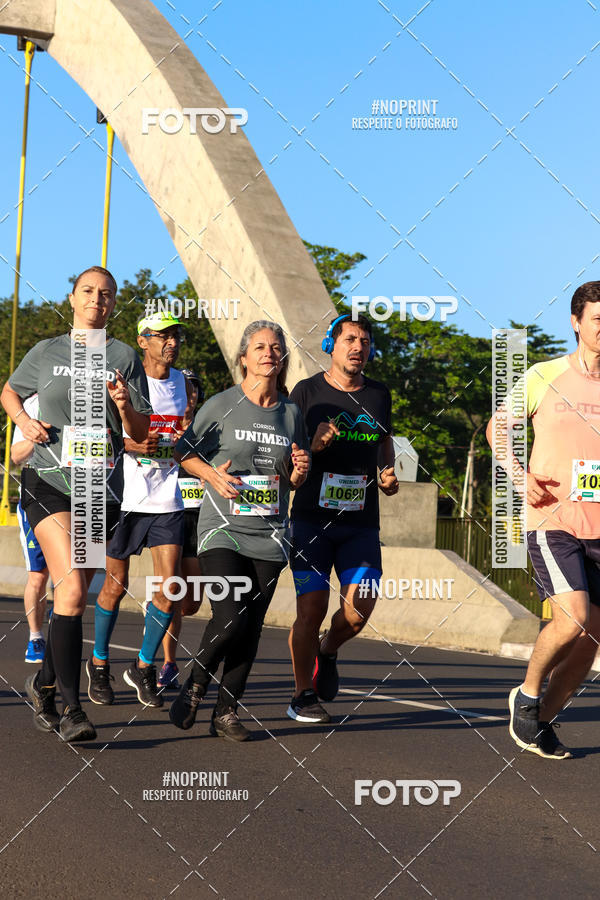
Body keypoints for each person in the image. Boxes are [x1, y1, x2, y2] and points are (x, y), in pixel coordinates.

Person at [1, 266, 151, 742]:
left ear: (113, 303)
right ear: (72, 298)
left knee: (75, 595)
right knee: (67, 590)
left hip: (98, 489)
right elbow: (9, 391)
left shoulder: (124, 356)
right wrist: (24, 420)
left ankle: (43, 685)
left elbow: (142, 432)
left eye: (106, 294)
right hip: (47, 480)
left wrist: (124, 404)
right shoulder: (47, 351)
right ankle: (72, 711)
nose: (96, 300)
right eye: (88, 292)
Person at [169, 320, 310, 741]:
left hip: (270, 535)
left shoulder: (291, 414)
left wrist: (300, 472)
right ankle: (195, 684)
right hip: (222, 529)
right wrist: (212, 475)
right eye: (260, 347)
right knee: (229, 617)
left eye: (276, 347)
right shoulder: (222, 405)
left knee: (251, 626)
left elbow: (293, 477)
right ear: (244, 358)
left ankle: (226, 712)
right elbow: (183, 453)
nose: (269, 353)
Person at [487, 281, 600, 760]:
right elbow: (499, 428)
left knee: (592, 639)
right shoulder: (543, 374)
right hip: (552, 519)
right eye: (598, 318)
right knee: (572, 616)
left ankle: (542, 722)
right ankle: (527, 694)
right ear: (576, 322)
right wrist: (519, 475)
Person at [287, 313, 399, 723]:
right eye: (349, 339)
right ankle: (302, 694)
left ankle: (327, 650)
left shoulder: (379, 395)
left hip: (361, 524)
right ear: (331, 346)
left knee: (358, 610)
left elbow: (383, 443)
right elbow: (287, 455)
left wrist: (387, 475)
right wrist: (312, 446)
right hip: (312, 520)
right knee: (311, 609)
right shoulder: (307, 392)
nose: (358, 347)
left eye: (365, 341)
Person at [86, 311, 188, 708]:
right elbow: (101, 436)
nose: (172, 342)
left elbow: (183, 433)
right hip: (125, 497)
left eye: (176, 335)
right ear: (142, 341)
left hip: (167, 499)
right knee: (114, 586)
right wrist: (133, 445)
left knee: (169, 589)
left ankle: (144, 667)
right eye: (162, 336)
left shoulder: (184, 383)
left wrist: (180, 442)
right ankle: (98, 663)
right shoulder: (122, 381)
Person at [157, 369, 205, 689]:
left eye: (193, 391)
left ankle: (157, 607)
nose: (189, 396)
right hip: (170, 515)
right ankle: (168, 664)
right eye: (183, 391)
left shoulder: (209, 427)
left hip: (200, 521)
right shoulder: (161, 425)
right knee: (172, 593)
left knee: (191, 603)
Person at [11, 393, 51, 663]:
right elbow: (16, 455)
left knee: (71, 578)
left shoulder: (89, 400)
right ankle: (36, 638)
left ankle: (61, 635)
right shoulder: (32, 405)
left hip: (81, 496)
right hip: (37, 497)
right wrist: (37, 435)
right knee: (38, 576)